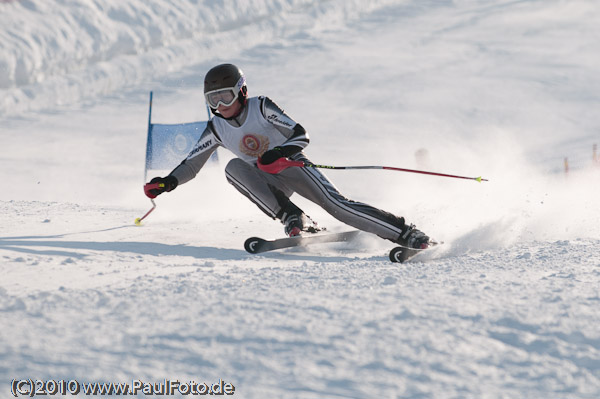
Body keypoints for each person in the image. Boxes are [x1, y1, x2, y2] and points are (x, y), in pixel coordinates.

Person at [144, 63, 430, 249]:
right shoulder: (216, 127)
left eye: (226, 97)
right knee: (233, 168)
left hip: (292, 166)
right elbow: (192, 164)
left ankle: (404, 232)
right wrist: (167, 183)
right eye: (213, 100)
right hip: (267, 181)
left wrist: (280, 152)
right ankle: (293, 216)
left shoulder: (261, 106)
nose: (221, 105)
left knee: (337, 205)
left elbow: (301, 134)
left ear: (242, 92)